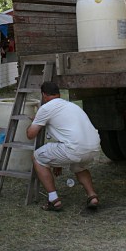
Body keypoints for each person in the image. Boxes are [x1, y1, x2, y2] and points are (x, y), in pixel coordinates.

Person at [26, 81, 101, 212]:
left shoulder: (45, 108)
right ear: (59, 94)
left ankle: (53, 200)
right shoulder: (71, 106)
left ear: (44, 95)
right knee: (79, 166)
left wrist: (35, 121)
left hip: (75, 149)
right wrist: (58, 163)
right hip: (93, 147)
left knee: (37, 157)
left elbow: (30, 134)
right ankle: (92, 196)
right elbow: (65, 133)